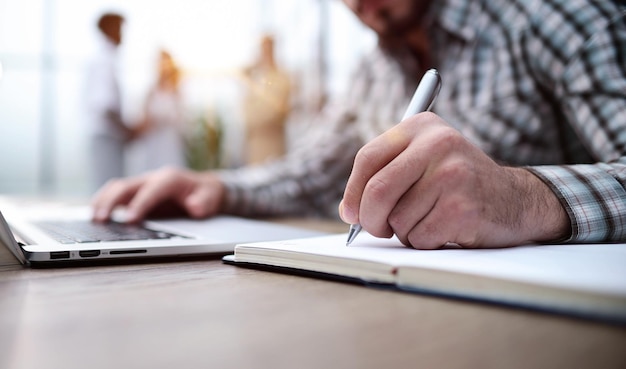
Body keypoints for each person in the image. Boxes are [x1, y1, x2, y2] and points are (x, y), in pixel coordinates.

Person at [92, 0, 626, 250]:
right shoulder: (373, 69)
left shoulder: (556, 17)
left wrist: (518, 198)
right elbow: (313, 172)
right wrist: (214, 187)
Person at [84, 12, 140, 191]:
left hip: (106, 135)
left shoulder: (103, 58)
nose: (123, 34)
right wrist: (127, 130)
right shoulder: (105, 60)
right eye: (120, 28)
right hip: (107, 136)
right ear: (109, 29)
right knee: (110, 190)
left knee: (108, 188)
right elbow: (106, 105)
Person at [130, 50, 188, 173]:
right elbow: (144, 120)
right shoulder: (151, 91)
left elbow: (181, 119)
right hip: (153, 145)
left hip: (170, 145)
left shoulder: (177, 90)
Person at [241, 34, 291, 165]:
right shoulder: (257, 80)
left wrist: (252, 114)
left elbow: (271, 113)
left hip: (271, 149)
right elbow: (246, 112)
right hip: (255, 148)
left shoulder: (281, 78)